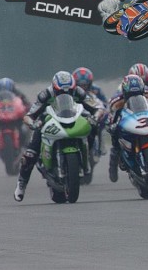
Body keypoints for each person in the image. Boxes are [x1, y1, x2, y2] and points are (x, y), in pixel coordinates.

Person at [14, 71, 102, 202]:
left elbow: (97, 107)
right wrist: (32, 123)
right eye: (61, 92)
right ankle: (21, 184)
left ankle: (89, 152)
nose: (66, 94)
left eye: (69, 91)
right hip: (48, 121)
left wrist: (95, 117)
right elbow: (29, 115)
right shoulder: (45, 94)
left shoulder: (79, 92)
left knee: (93, 126)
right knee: (30, 154)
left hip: (73, 118)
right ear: (55, 88)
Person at [106, 75, 148, 183]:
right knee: (115, 140)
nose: (134, 96)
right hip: (129, 122)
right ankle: (113, 166)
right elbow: (110, 114)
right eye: (130, 94)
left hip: (147, 120)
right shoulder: (117, 100)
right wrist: (110, 124)